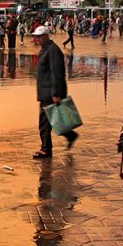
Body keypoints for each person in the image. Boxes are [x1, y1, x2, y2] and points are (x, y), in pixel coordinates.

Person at [31, 25, 76, 158]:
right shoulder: (45, 49)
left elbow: (57, 73)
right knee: (55, 119)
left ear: (45, 36)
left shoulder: (53, 50)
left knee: (44, 123)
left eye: (39, 37)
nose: (37, 40)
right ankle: (70, 135)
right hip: (45, 92)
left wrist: (57, 93)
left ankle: (46, 149)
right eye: (36, 37)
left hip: (50, 92)